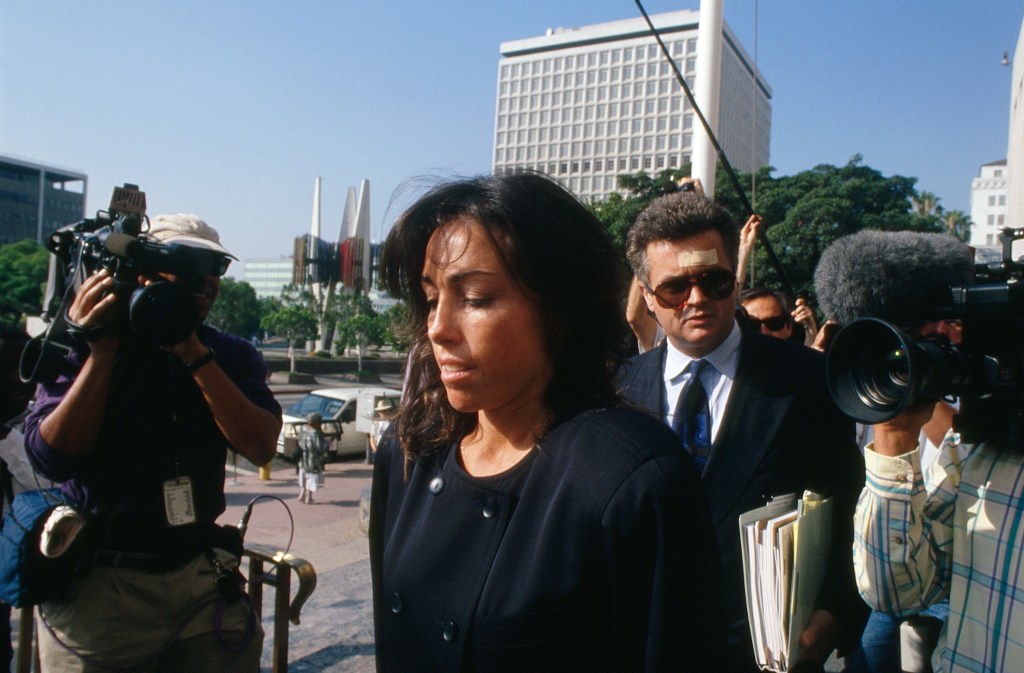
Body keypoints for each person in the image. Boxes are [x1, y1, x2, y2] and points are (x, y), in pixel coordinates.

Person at [370, 172, 723, 672]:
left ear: (561, 309)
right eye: (431, 300)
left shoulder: (635, 479)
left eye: (475, 298)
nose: (438, 328)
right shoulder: (410, 451)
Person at [616, 192, 866, 673]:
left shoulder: (810, 380)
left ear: (736, 278)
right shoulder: (617, 390)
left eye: (714, 281)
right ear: (647, 296)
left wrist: (833, 616)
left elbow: (848, 508)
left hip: (767, 655)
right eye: (675, 288)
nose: (697, 300)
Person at [22, 213, 282, 672]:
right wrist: (102, 352)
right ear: (143, 273)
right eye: (189, 268)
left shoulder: (229, 354)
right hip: (104, 585)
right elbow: (53, 458)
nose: (206, 283)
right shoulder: (90, 343)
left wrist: (193, 353)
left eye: (215, 269)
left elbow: (261, 447)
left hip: (198, 575)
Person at [297, 412, 328, 504]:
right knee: (311, 478)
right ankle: (308, 498)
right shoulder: (315, 433)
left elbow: (299, 441)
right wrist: (327, 444)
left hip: (303, 458)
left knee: (303, 477)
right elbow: (320, 447)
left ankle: (302, 495)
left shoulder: (303, 429)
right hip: (312, 459)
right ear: (315, 423)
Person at [366, 397, 394, 465]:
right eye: (382, 411)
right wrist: (375, 449)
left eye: (385, 410)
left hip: (390, 450)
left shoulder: (392, 423)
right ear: (379, 412)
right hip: (379, 450)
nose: (384, 413)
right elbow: (372, 437)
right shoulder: (376, 424)